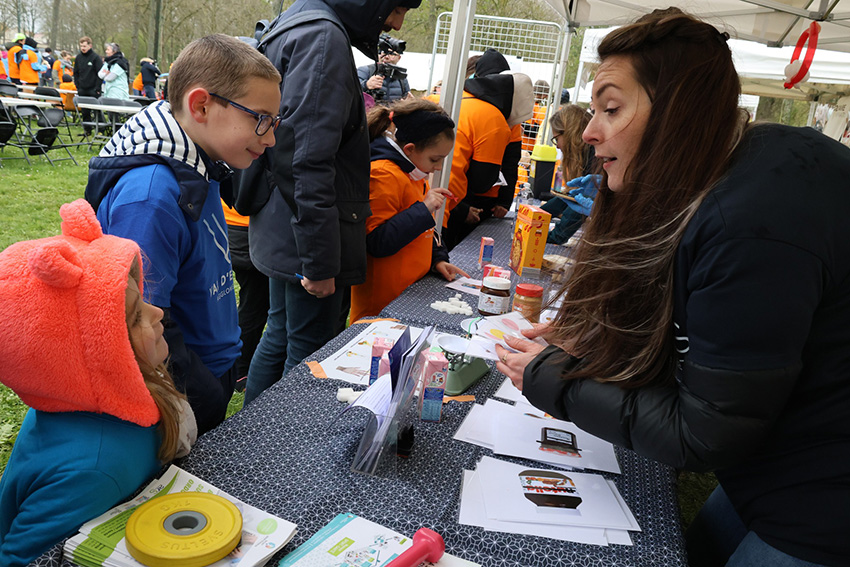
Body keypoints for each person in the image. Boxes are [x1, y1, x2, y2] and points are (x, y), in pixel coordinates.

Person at [495, 8, 850, 567]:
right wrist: (596, 345)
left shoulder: (750, 221)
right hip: (776, 458)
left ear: (680, 114)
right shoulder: (727, 182)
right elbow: (702, 338)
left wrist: (552, 379)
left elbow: (707, 432)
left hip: (823, 494)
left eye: (611, 109)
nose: (590, 131)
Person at [85, 34, 282, 434]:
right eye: (260, 118)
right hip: (187, 386)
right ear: (201, 105)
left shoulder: (199, 163)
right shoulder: (151, 198)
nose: (271, 137)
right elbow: (139, 323)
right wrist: (202, 394)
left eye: (275, 121)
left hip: (209, 371)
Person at [240, 0, 420, 405]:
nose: (396, 22)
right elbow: (307, 157)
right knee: (307, 354)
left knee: (281, 332)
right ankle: (278, 455)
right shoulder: (323, 38)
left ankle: (250, 442)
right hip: (307, 229)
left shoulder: (302, 20)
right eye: (396, 9)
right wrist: (320, 262)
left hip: (284, 221)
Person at [0, 199, 195, 567]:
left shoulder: (80, 397)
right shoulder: (95, 469)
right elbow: (20, 559)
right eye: (137, 316)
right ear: (91, 357)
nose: (158, 314)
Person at [350, 99, 468, 321]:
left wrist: (437, 259)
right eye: (436, 159)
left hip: (408, 291)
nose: (439, 167)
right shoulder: (384, 173)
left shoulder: (413, 171)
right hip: (382, 301)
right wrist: (423, 209)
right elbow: (376, 241)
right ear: (410, 149)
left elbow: (422, 231)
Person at [443, 48, 533, 250]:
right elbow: (481, 178)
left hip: (446, 196)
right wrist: (462, 209)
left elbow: (510, 161)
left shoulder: (454, 101)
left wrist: (503, 200)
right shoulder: (493, 119)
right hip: (454, 197)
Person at [221, 199, 269, 391]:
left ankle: (240, 368)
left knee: (254, 303)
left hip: (237, 224)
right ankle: (240, 370)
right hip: (247, 227)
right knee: (255, 305)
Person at [539, 104, 598, 244]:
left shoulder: (594, 157)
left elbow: (580, 202)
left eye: (556, 139)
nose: (557, 146)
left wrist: (555, 236)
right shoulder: (587, 153)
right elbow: (569, 197)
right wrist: (537, 215)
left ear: (569, 132)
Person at [357, 33, 410, 103]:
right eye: (383, 52)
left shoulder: (402, 78)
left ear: (399, 58)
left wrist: (410, 103)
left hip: (394, 113)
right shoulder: (365, 71)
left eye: (392, 54)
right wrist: (366, 85)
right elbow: (349, 91)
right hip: (370, 113)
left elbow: (407, 99)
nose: (386, 57)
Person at [74, 36, 103, 135]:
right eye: (81, 46)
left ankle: (100, 130)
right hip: (82, 89)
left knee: (96, 110)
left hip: (93, 89)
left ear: (90, 46)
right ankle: (87, 130)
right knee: (85, 111)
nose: (83, 48)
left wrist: (98, 88)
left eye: (85, 46)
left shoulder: (95, 58)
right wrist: (78, 86)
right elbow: (76, 73)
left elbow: (100, 74)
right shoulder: (78, 57)